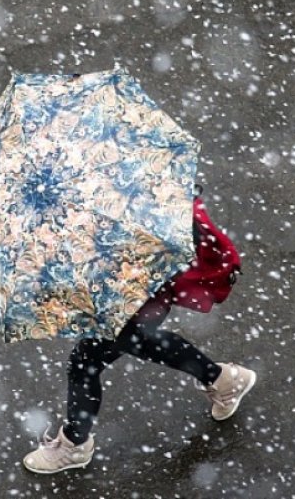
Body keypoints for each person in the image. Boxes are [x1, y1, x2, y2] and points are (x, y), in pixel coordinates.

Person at [22, 195, 257, 474]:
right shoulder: (113, 183)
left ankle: (74, 445)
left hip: (135, 289)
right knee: (136, 343)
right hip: (135, 286)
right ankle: (224, 380)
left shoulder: (126, 201)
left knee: (86, 361)